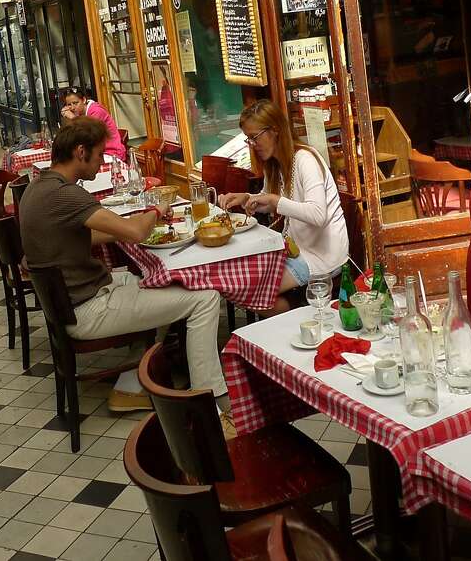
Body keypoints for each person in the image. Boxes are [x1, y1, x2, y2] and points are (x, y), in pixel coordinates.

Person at [19, 117, 231, 424]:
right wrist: (156, 211)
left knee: (150, 280)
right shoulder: (66, 194)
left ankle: (132, 385)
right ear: (81, 152)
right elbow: (135, 233)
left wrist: (128, 229)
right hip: (87, 310)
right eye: (99, 153)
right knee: (206, 298)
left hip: (69, 302)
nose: (102, 160)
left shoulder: (37, 188)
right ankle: (206, 401)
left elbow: (82, 236)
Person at [220, 100, 348, 314]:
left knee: (254, 290)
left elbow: (318, 215)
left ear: (275, 130)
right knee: (246, 286)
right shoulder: (276, 164)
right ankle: (293, 318)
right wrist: (246, 199)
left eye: (255, 137)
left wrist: (275, 202)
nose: (252, 144)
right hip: (297, 250)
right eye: (248, 139)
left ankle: (296, 316)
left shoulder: (305, 159)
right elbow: (267, 200)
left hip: (322, 256)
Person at [60, 88, 127, 160]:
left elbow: (89, 135)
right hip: (95, 152)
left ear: (84, 100)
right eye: (69, 104)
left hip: (110, 153)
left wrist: (73, 118)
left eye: (75, 103)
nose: (72, 107)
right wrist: (66, 119)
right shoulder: (79, 114)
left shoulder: (96, 111)